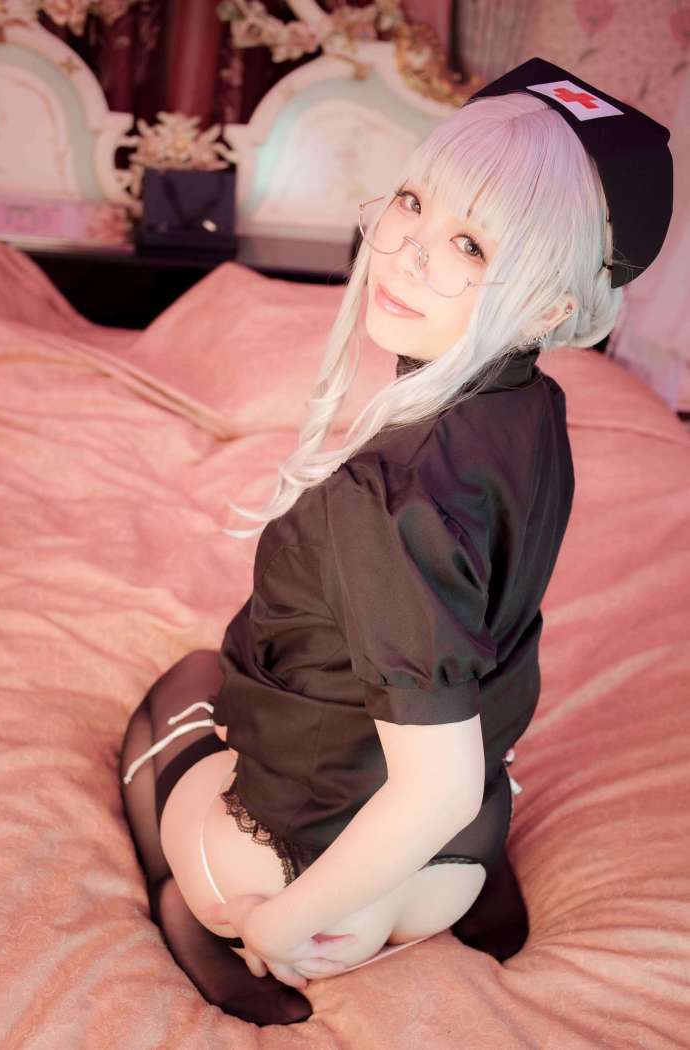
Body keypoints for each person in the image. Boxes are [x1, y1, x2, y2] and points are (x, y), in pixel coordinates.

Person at [118, 57, 673, 1028]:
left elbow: (432, 785)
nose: (408, 253)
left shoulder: (386, 492)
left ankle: (191, 911)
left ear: (552, 305)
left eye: (470, 244)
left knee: (180, 691)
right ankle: (453, 896)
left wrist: (285, 923)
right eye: (414, 202)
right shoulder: (534, 409)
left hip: (305, 875)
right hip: (454, 865)